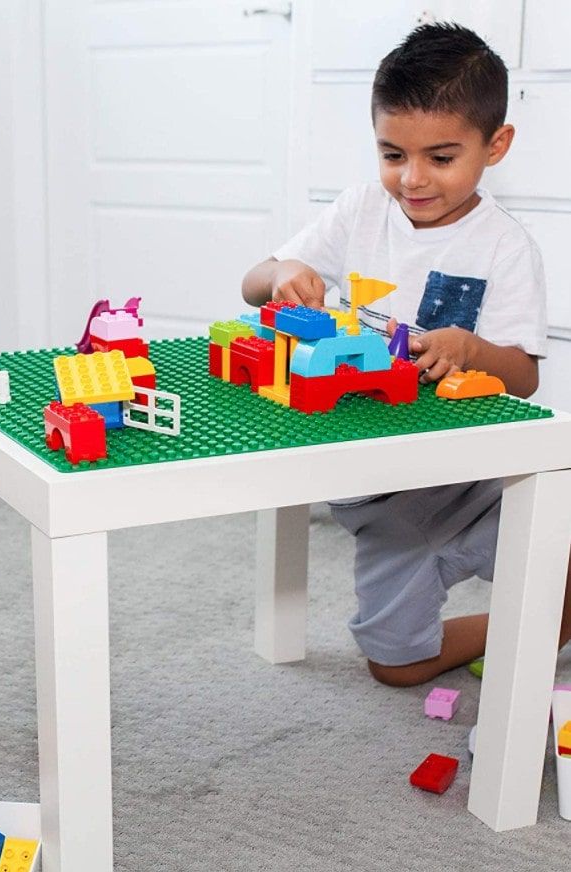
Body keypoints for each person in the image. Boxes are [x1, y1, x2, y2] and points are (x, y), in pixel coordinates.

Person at [241, 22, 571, 686]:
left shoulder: (505, 246)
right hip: (380, 504)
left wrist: (471, 348)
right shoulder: (361, 209)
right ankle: (522, 628)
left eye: (441, 158)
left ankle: (550, 621)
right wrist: (284, 274)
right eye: (393, 154)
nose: (412, 179)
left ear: (496, 145)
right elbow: (253, 282)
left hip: (469, 481)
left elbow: (524, 378)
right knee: (394, 666)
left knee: (558, 538)